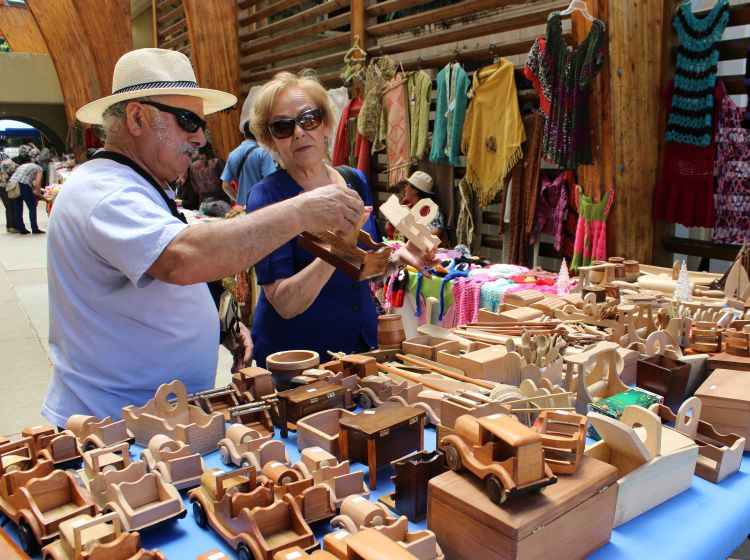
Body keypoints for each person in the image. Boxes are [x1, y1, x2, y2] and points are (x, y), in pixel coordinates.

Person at [41, 48, 368, 427]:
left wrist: (221, 321)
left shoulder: (141, 184)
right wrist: (302, 211)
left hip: (147, 417)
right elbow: (183, 257)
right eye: (187, 121)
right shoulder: (108, 193)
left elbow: (164, 271)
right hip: (114, 425)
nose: (200, 138)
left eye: (200, 124)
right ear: (136, 117)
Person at [245, 71, 436, 368]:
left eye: (309, 119)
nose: (299, 132)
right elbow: (283, 303)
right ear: (271, 140)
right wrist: (335, 248)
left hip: (360, 348)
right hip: (299, 364)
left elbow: (359, 268)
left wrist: (399, 258)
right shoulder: (268, 198)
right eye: (283, 127)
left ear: (326, 124)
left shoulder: (353, 181)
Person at [221, 89, 277, 208]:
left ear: (245, 134)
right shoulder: (263, 153)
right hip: (262, 205)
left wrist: (238, 199)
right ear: (257, 133)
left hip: (243, 207)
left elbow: (225, 185)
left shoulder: (232, 154)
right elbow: (272, 181)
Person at [386, 170, 445, 239]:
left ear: (415, 191)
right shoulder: (407, 206)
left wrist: (409, 225)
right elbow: (388, 226)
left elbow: (434, 236)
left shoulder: (433, 212)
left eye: (407, 185)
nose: (405, 188)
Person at [8, 152, 44, 235]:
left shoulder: (22, 166)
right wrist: (38, 194)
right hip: (23, 184)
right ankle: (35, 228)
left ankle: (22, 229)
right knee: (32, 207)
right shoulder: (39, 168)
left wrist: (33, 189)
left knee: (18, 208)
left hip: (13, 184)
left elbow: (30, 181)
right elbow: (37, 182)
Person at [189, 142, 230, 206]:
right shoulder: (217, 162)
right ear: (211, 149)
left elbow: (195, 186)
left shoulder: (193, 166)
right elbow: (226, 182)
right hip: (221, 200)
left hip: (203, 202)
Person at [0, 150, 19, 233]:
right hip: (7, 187)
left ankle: (9, 226)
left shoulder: (4, 162)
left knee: (8, 207)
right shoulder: (10, 163)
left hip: (1, 186)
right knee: (11, 206)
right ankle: (13, 226)